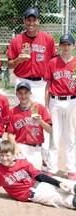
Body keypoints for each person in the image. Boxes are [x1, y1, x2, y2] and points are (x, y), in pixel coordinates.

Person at [6, 7, 58, 169]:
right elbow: (9, 65)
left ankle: (44, 157)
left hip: (40, 83)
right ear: (24, 21)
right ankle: (20, 151)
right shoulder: (17, 41)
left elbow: (54, 63)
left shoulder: (48, 39)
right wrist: (18, 61)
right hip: (22, 81)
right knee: (20, 117)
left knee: (42, 117)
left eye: (34, 19)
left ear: (38, 21)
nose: (31, 23)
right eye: (28, 19)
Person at [0, 140, 76, 210]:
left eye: (7, 155)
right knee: (60, 198)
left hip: (39, 183)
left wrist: (58, 183)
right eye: (1, 155)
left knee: (66, 183)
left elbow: (40, 176)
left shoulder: (22, 162)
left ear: (13, 154)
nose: (4, 158)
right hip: (32, 193)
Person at [44, 34, 76, 180]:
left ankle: (71, 169)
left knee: (71, 136)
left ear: (73, 46)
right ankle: (52, 167)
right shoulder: (53, 62)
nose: (66, 47)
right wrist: (46, 106)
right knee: (54, 135)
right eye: (63, 44)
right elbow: (48, 85)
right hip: (55, 101)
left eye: (68, 44)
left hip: (72, 101)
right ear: (60, 46)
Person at [7, 82, 52, 170]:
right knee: (20, 174)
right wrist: (15, 146)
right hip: (21, 147)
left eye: (26, 93)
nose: (23, 96)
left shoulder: (39, 108)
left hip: (36, 148)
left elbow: (49, 129)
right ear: (16, 94)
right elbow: (10, 134)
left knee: (35, 176)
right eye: (20, 93)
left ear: (30, 93)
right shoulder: (13, 112)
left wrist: (41, 121)